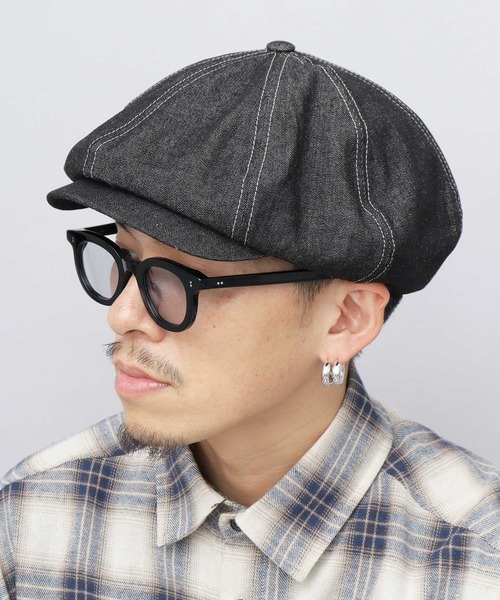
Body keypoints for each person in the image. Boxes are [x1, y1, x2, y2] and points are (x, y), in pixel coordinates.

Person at [1, 40, 499, 599]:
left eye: (182, 278)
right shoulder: (35, 516)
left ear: (345, 320)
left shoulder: (474, 563)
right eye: (126, 256)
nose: (123, 315)